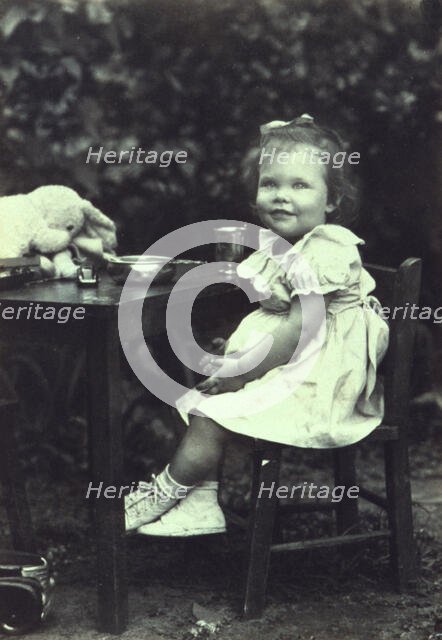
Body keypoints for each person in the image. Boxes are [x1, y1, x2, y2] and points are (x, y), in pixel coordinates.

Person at [125, 114, 389, 537]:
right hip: (289, 366)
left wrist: (240, 373)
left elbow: (298, 333)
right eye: (271, 184)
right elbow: (273, 320)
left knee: (210, 413)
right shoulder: (278, 248)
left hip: (320, 382)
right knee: (192, 399)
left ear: (332, 200)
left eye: (299, 185)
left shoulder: (328, 249)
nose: (282, 196)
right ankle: (201, 504)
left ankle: (163, 493)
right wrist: (234, 347)